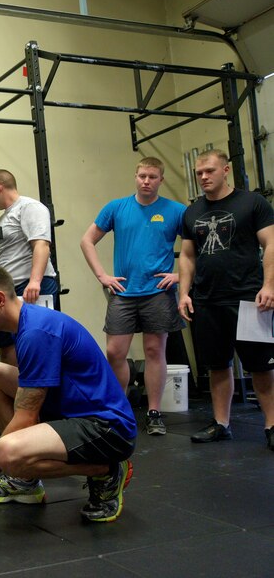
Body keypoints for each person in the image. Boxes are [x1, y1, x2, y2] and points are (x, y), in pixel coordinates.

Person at [0, 265, 137, 525]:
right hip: (70, 414)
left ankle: (107, 470)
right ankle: (24, 482)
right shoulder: (26, 323)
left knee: (8, 453)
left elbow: (26, 418)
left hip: (107, 429)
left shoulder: (36, 333)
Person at [79, 157, 186, 436]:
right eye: (141, 176)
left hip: (158, 292)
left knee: (154, 351)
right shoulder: (117, 208)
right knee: (115, 352)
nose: (146, 181)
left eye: (152, 177)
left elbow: (191, 251)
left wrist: (180, 276)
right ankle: (119, 410)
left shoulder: (176, 211)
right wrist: (102, 275)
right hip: (124, 292)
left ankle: (153, 413)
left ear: (161, 179)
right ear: (135, 177)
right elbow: (87, 240)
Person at [178, 149, 274, 450]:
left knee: (261, 366)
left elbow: (271, 243)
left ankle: (272, 425)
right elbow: (187, 255)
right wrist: (183, 292)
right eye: (199, 173)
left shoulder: (252, 203)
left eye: (209, 171)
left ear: (226, 170)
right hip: (207, 299)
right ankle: (221, 424)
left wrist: (269, 285)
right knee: (218, 365)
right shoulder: (192, 212)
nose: (204, 177)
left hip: (248, 297)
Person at [0, 169, 58, 366]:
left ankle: (38, 394)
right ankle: (15, 395)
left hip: (29, 286)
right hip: (8, 289)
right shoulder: (3, 219)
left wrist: (35, 282)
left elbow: (41, 245)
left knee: (34, 346)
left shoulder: (30, 207)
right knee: (8, 351)